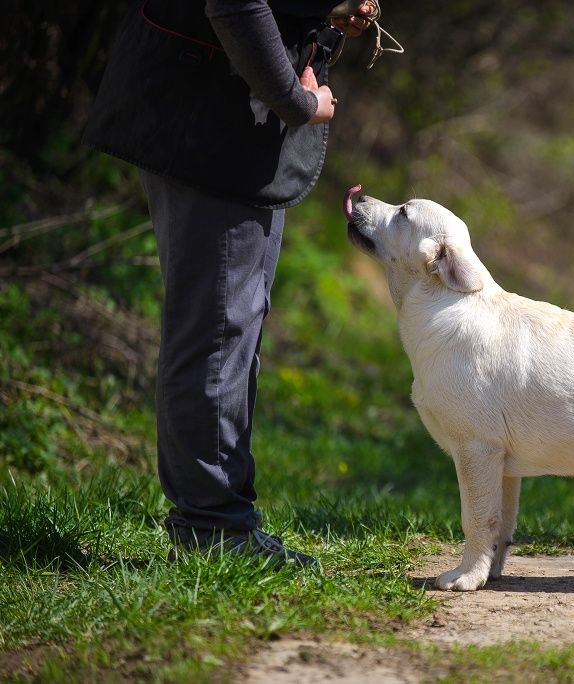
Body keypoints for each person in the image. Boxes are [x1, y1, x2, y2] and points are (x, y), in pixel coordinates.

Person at [84, 0, 378, 566]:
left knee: (232, 330)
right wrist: (296, 101)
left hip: (231, 127)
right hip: (210, 123)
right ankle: (212, 532)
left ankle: (221, 523)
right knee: (217, 334)